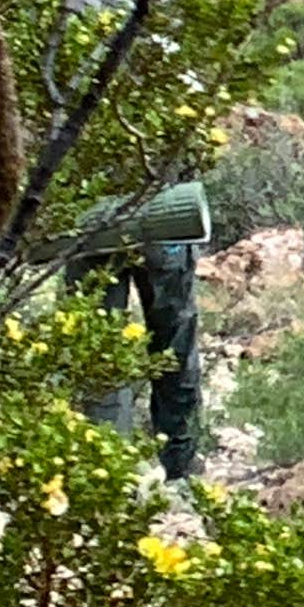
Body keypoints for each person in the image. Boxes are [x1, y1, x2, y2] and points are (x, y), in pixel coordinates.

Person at [69, 179, 212, 482]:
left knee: (99, 348)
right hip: (165, 210)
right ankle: (180, 467)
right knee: (173, 344)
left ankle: (107, 472)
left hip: (91, 216)